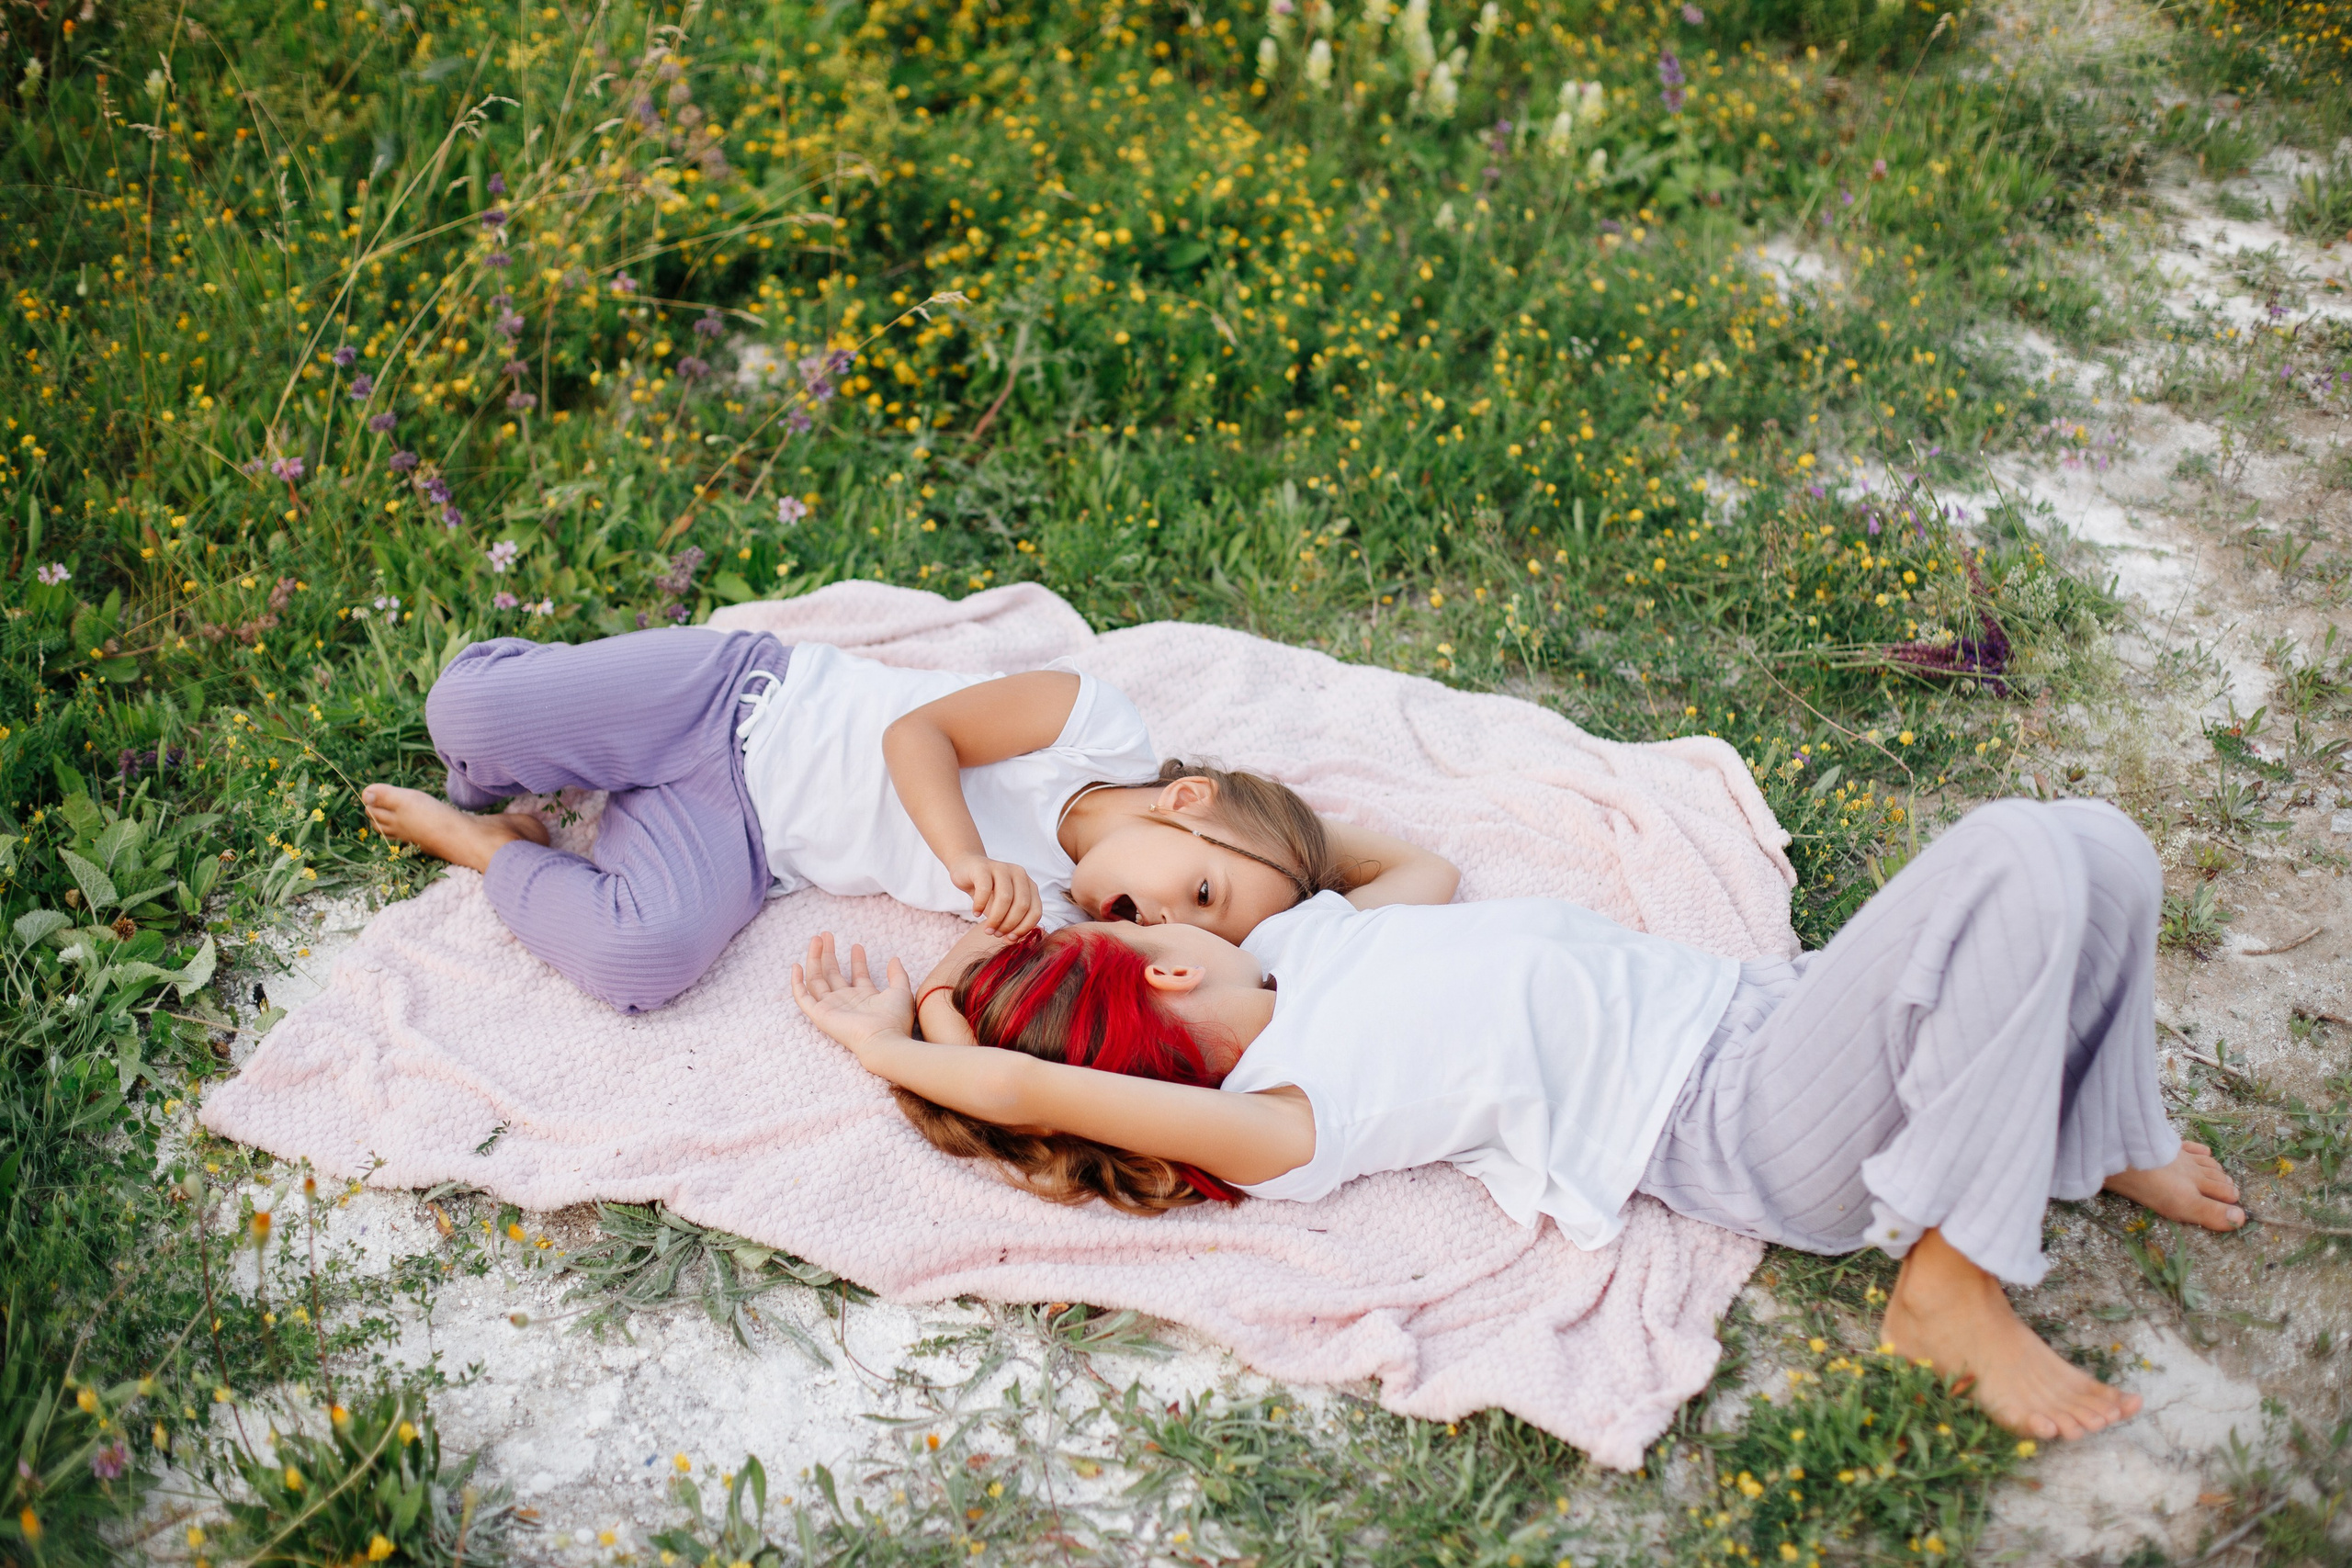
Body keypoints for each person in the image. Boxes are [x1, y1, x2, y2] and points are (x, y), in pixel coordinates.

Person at [790, 797, 2245, 1442]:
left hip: (1765, 1006)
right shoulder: (1291, 1113)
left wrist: (1205, 835)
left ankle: (2095, 1128)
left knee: (2092, 845)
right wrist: (909, 1032)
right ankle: (1948, 1276)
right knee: (2015, 857)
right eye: (1153, 921)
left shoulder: (1324, 948)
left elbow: (1400, 853)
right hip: (1745, 1110)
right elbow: (1034, 1088)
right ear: (1171, 971)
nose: (1169, 904)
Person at [361, 627, 1459, 1012]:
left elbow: (1428, 882)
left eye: (1195, 930)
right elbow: (914, 741)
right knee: (464, 709)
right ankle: (543, 733)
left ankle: (495, 848)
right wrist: (967, 855)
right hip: (736, 700)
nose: (1167, 913)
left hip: (745, 840)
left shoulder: (1075, 916)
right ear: (1187, 802)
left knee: (643, 956)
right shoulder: (1094, 729)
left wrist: (989, 929)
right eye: (1204, 890)